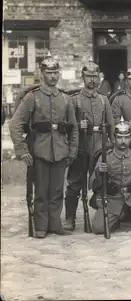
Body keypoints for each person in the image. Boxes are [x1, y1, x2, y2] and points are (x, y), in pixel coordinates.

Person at [9, 55, 78, 238]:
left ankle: (55, 224)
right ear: (42, 73)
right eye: (49, 73)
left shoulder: (65, 99)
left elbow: (73, 127)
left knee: (57, 190)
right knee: (40, 190)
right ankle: (41, 226)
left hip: (60, 150)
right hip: (39, 150)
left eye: (56, 72)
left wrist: (72, 149)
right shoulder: (33, 97)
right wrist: (22, 150)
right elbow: (15, 124)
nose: (53, 76)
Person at [63, 60, 115, 231]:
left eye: (95, 76)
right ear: (82, 77)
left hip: (99, 147)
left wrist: (111, 144)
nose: (92, 80)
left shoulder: (103, 99)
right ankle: (70, 217)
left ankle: (102, 214)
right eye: (89, 76)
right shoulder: (74, 99)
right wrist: (79, 125)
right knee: (75, 183)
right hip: (81, 146)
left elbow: (110, 124)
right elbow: (67, 125)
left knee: (101, 181)